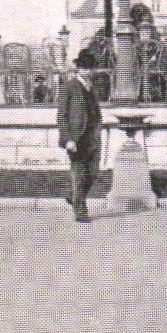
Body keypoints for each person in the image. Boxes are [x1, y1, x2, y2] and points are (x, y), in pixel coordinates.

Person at [58, 47, 104, 224]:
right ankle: (80, 210)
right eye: (84, 67)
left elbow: (96, 113)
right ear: (78, 68)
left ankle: (73, 196)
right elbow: (61, 116)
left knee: (93, 172)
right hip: (76, 138)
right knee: (79, 173)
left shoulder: (91, 89)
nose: (88, 71)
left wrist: (98, 131)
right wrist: (68, 139)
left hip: (92, 137)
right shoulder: (69, 87)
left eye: (90, 67)